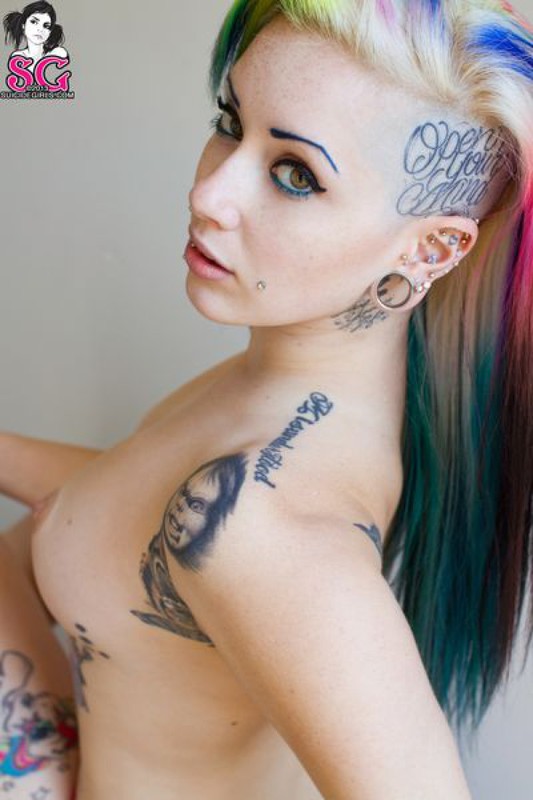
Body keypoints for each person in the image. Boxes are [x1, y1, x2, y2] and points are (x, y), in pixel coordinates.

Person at [1, 0, 532, 797]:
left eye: (295, 174)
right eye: (229, 122)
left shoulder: (273, 533)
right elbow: (132, 506)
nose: (209, 194)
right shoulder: (277, 393)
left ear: (430, 247)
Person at [3, 2, 68, 74]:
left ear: (50, 32)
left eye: (46, 26)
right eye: (33, 22)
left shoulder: (58, 53)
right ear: (23, 25)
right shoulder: (18, 57)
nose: (40, 29)